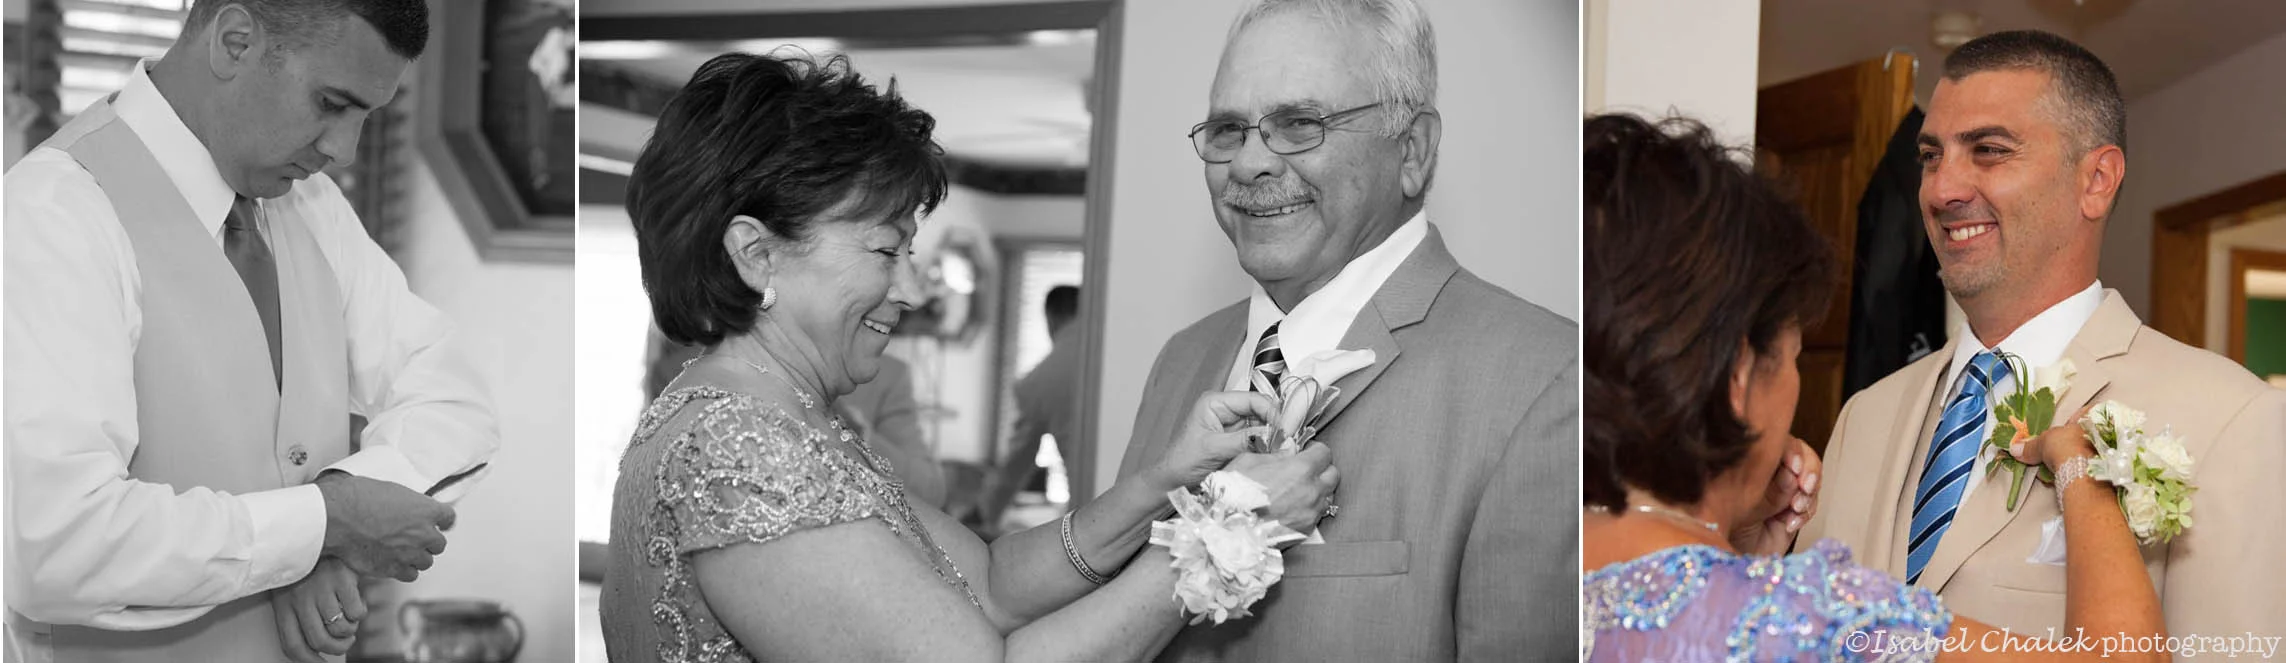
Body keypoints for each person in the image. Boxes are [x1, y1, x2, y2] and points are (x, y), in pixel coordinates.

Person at [599, 51, 1340, 662]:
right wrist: (1225, 530)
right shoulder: (739, 448)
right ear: (757, 253)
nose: (913, 288)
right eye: (885, 249)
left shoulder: (777, 416)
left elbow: (989, 582)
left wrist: (1163, 483)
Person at [2, 1, 498, 662]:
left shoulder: (314, 207)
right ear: (235, 42)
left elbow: (454, 399)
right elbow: (58, 544)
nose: (343, 150)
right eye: (330, 103)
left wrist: (328, 519)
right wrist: (321, 527)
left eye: (366, 117)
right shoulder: (52, 214)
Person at [1581, 112, 2167, 662]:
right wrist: (2081, 470)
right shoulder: (1811, 614)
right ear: (1739, 374)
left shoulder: (1550, 568)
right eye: (1791, 357)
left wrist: (1743, 558)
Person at [1113, 0, 1579, 659]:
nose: (1247, 164)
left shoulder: (1546, 382)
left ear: (1412, 150)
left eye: (1299, 124)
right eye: (1227, 130)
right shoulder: (1182, 360)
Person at [1797, 30, 2286, 639]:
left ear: (2096, 180)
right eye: (1930, 156)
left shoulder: (2230, 419)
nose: (1942, 189)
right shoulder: (1864, 416)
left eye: (1989, 150)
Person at [981, 284, 1085, 525]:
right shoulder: (1113, 350)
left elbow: (1014, 466)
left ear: (1051, 317)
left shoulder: (1040, 381)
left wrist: (984, 515)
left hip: (1089, 505)